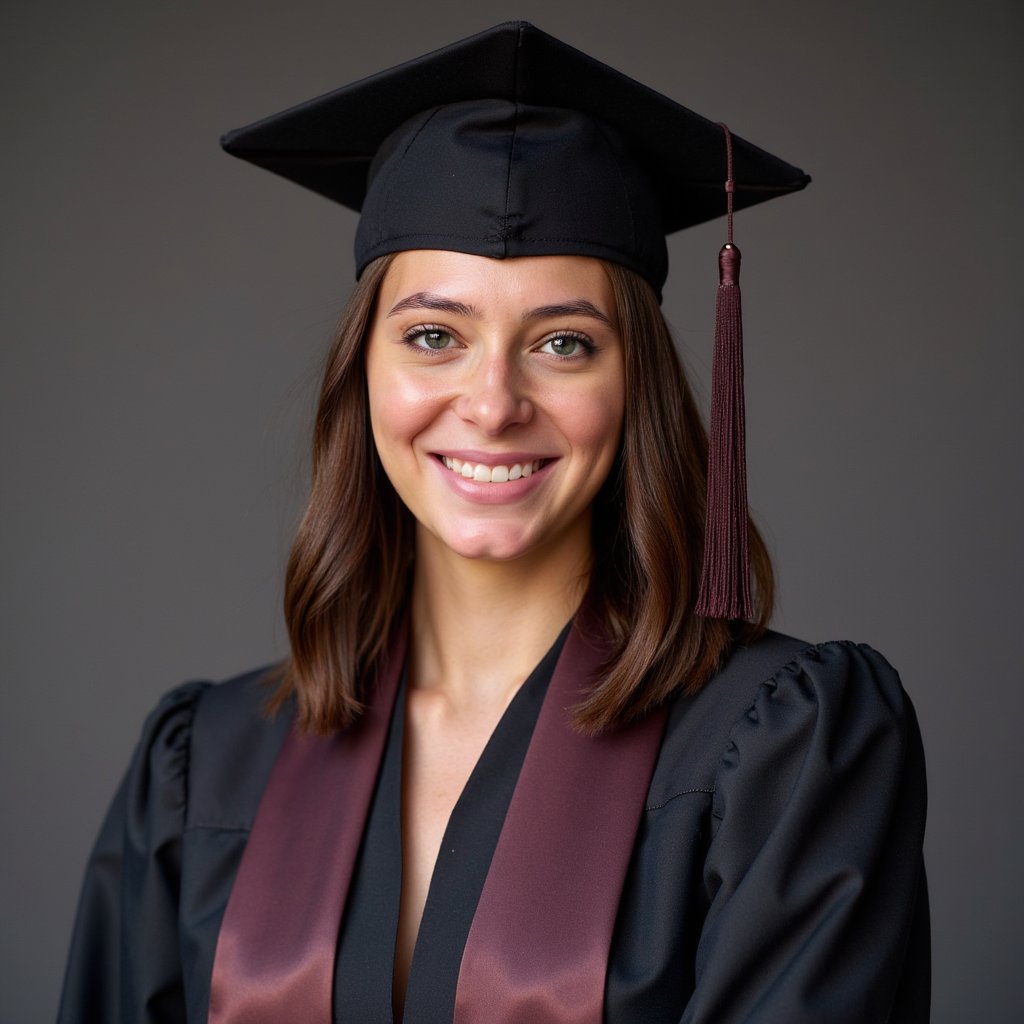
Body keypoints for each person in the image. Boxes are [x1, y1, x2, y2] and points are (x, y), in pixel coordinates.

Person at [58, 21, 929, 1024]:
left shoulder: (780, 750)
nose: (491, 403)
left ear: (635, 385)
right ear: (363, 374)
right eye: (434, 335)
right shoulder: (207, 765)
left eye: (563, 343)